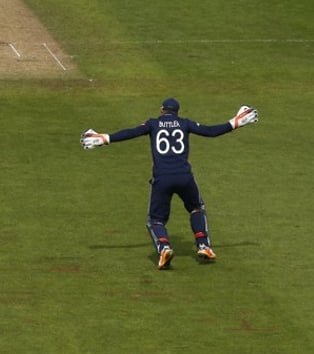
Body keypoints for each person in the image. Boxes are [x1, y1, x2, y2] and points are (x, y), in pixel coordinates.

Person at [81, 98, 259, 270]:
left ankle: (164, 248)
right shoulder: (185, 123)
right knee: (196, 208)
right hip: (184, 177)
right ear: (177, 112)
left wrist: (104, 138)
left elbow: (131, 133)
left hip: (162, 178)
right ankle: (203, 245)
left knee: (155, 221)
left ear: (161, 110)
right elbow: (210, 131)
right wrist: (236, 122)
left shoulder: (153, 124)